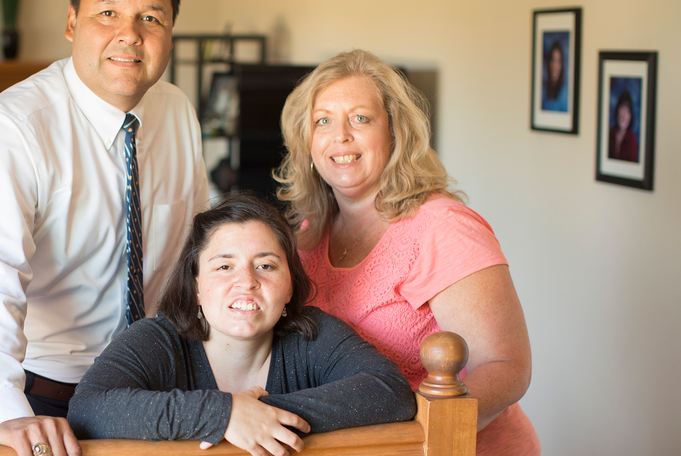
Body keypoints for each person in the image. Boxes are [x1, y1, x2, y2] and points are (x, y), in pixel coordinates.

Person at [0, 0, 209, 456]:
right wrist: (4, 414)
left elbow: (195, 257)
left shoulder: (177, 113)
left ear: (170, 34)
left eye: (151, 19)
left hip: (125, 393)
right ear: (72, 23)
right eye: (108, 13)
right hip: (2, 386)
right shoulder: (13, 129)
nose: (129, 36)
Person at [274, 49, 539, 455]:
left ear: (395, 133)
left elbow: (506, 368)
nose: (340, 135)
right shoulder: (306, 235)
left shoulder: (443, 228)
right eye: (322, 121)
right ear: (306, 141)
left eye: (360, 119)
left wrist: (413, 428)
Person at [68, 194, 416, 456]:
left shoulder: (314, 333)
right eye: (224, 267)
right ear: (196, 286)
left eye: (265, 265)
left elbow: (391, 392)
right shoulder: (157, 339)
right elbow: (88, 409)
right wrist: (225, 414)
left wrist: (259, 416)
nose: (246, 281)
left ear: (290, 283)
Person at [608, 90, 639, 162]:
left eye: (628, 111)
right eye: (622, 108)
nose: (624, 116)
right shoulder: (610, 133)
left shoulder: (632, 139)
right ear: (617, 110)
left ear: (631, 116)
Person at [540, 38, 567, 112]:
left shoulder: (565, 94)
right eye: (553, 60)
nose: (555, 66)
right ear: (549, 63)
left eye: (558, 61)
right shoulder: (543, 90)